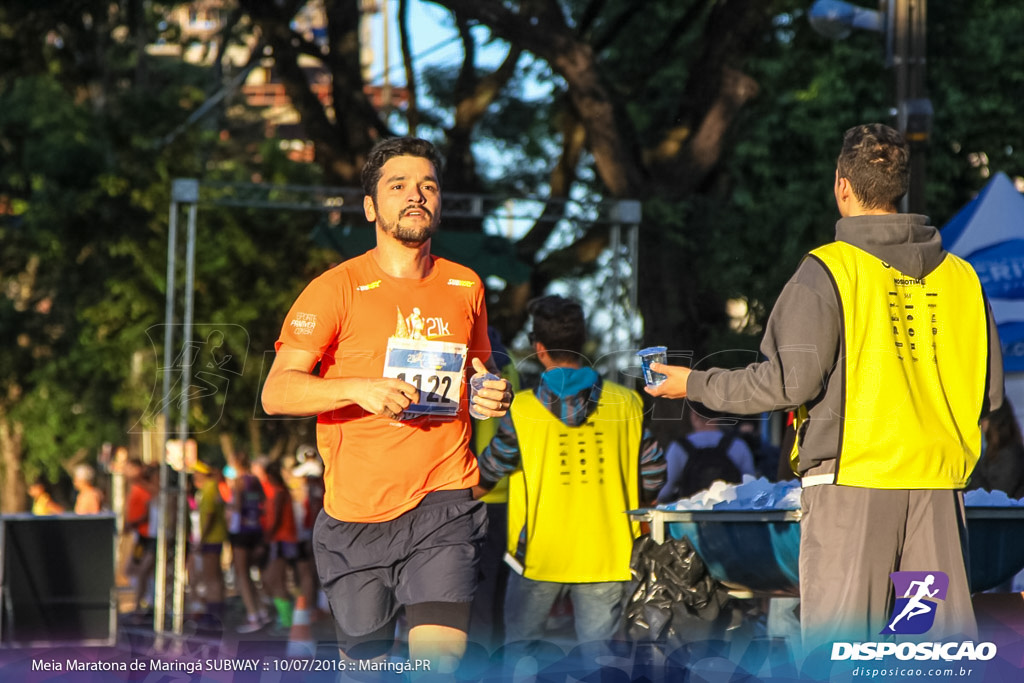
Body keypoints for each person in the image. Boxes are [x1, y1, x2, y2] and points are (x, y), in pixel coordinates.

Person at [646, 123, 1004, 653]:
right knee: (926, 654)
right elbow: (988, 396)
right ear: (901, 186)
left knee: (841, 654)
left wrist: (693, 383)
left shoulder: (828, 271)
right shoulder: (964, 279)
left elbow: (786, 383)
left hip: (852, 487)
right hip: (937, 490)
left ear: (842, 185)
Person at [261, 136, 512, 671]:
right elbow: (278, 391)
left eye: (428, 185)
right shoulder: (337, 288)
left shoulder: (465, 284)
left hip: (444, 499)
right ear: (372, 206)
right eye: (398, 186)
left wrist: (492, 394)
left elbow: (479, 373)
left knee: (440, 664)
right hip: (355, 513)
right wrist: (358, 388)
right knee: (366, 668)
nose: (416, 195)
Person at [475, 295, 665, 651]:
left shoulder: (522, 408)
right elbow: (653, 469)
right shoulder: (627, 403)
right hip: (607, 552)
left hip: (536, 556)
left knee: (519, 656)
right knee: (599, 663)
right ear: (581, 343)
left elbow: (491, 469)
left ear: (540, 348)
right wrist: (644, 503)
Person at [657, 401, 755, 502]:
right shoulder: (738, 445)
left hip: (691, 514)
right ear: (719, 414)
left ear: (694, 415)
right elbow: (751, 487)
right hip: (729, 514)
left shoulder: (678, 448)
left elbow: (664, 492)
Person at [191, 460, 228, 627]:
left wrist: (202, 538)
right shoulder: (211, 488)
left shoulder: (209, 489)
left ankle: (214, 615)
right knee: (215, 577)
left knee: (211, 577)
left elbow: (209, 516)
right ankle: (217, 611)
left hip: (212, 538)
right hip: (215, 537)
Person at [969, 398, 1024, 499]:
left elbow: (997, 493)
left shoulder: (1010, 453)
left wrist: (971, 467)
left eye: (984, 418)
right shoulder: (993, 452)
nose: (981, 423)